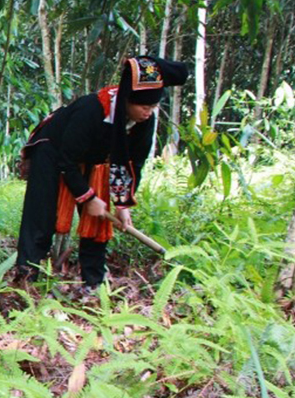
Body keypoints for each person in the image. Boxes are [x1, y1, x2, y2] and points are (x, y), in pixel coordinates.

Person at [16, 55, 189, 288]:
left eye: (153, 107)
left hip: (94, 160)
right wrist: (87, 196)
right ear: (127, 100)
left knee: (98, 223)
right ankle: (26, 279)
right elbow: (67, 160)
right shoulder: (92, 109)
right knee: (41, 217)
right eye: (144, 106)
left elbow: (133, 164)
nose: (148, 113)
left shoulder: (144, 122)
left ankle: (93, 284)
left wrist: (122, 205)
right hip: (53, 150)